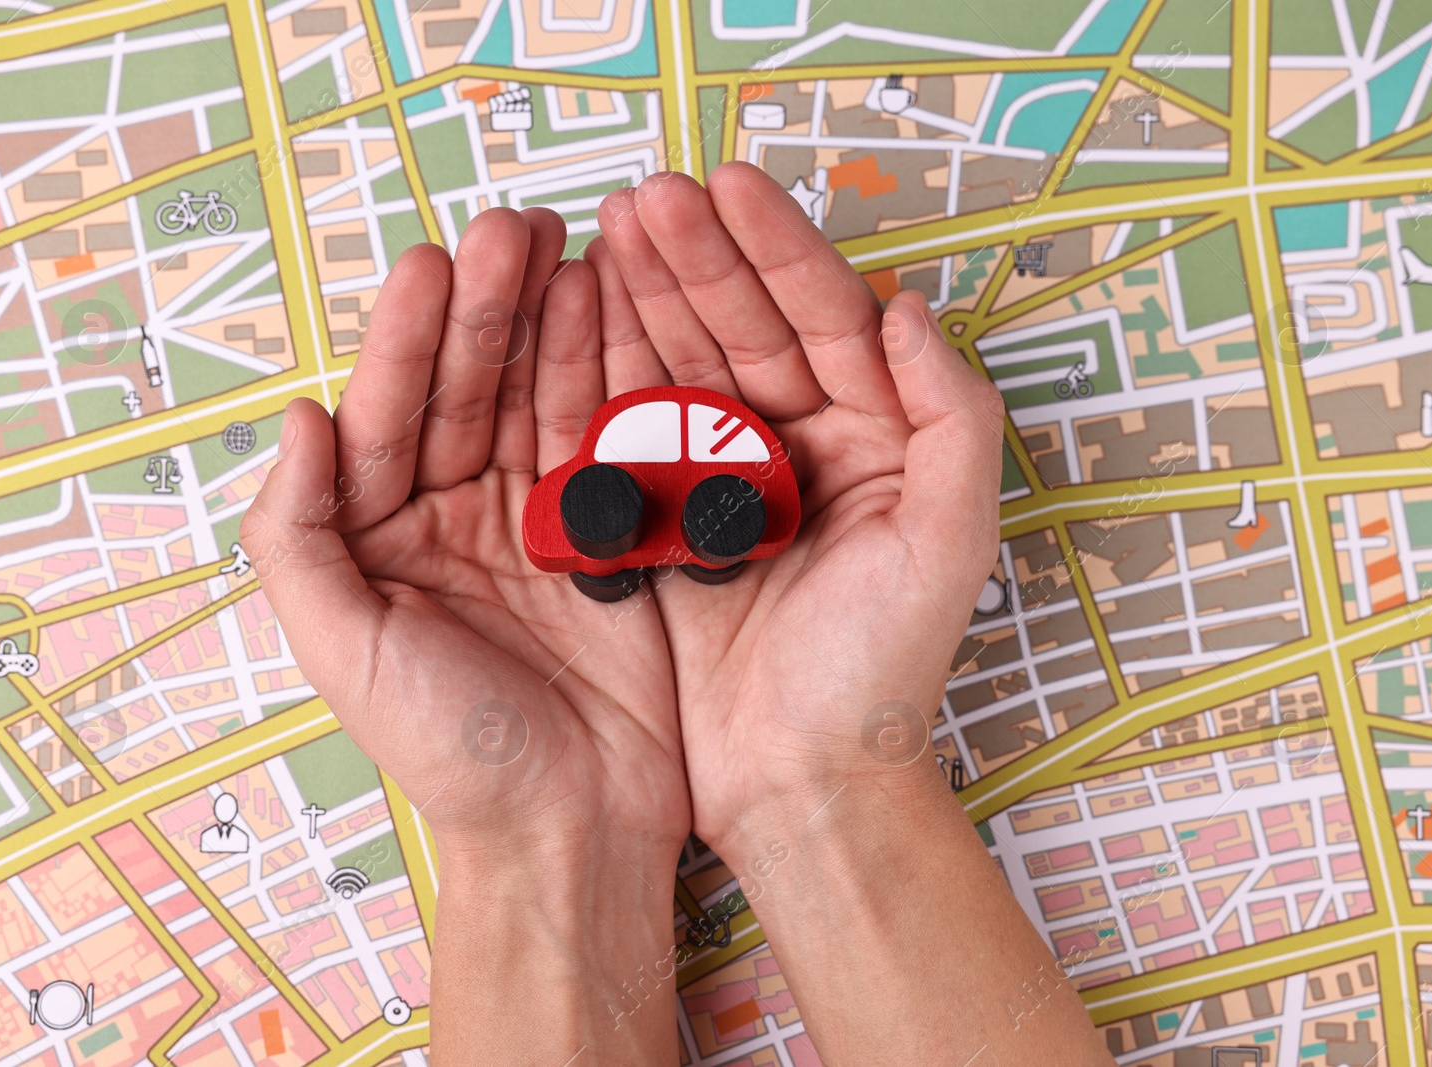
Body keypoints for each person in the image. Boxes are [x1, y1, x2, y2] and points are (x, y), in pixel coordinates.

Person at [240, 162, 1115, 1065]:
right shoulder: (620, 476)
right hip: (673, 490)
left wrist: (824, 772)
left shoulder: (715, 475)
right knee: (603, 529)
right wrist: (544, 821)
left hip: (717, 492)